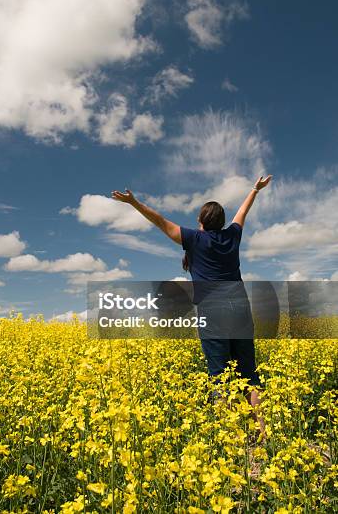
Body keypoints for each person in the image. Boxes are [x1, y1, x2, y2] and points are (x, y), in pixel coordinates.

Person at [111, 175, 272, 439]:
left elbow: (160, 221)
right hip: (240, 308)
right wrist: (255, 189)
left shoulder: (195, 239)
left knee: (220, 376)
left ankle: (229, 439)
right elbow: (243, 212)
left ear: (201, 221)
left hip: (213, 311)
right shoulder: (232, 236)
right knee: (248, 373)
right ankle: (262, 434)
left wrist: (134, 203)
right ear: (221, 222)